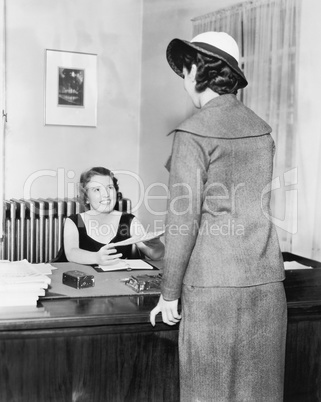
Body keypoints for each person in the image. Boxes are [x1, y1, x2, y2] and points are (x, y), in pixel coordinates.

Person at [150, 32, 287, 401]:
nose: (183, 82)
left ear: (197, 71)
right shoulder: (262, 130)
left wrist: (168, 293)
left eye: (185, 71)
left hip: (212, 289)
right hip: (267, 285)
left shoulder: (193, 132)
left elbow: (182, 220)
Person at [56, 166, 164, 265]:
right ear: (86, 197)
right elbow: (71, 253)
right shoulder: (76, 221)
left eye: (110, 187)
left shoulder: (129, 221)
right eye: (97, 189)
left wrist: (157, 245)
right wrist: (96, 258)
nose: (106, 194)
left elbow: (154, 255)